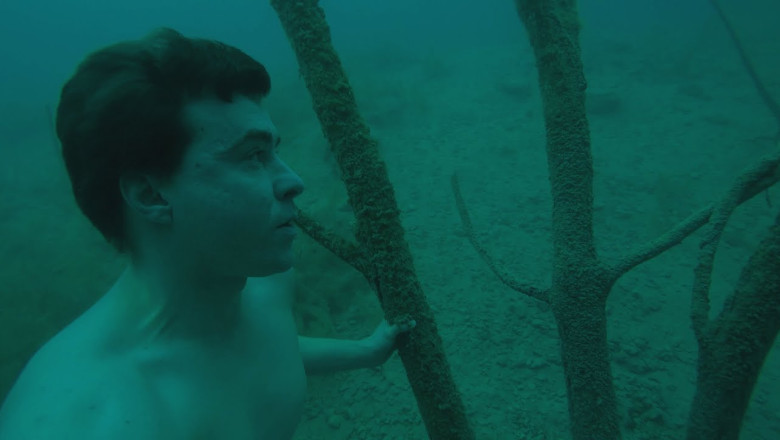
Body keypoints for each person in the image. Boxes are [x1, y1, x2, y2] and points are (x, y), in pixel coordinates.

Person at [0, 28, 414, 439]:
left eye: (274, 151)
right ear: (150, 195)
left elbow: (262, 347)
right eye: (252, 155)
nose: (293, 180)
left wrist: (364, 351)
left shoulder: (262, 284)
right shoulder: (90, 421)